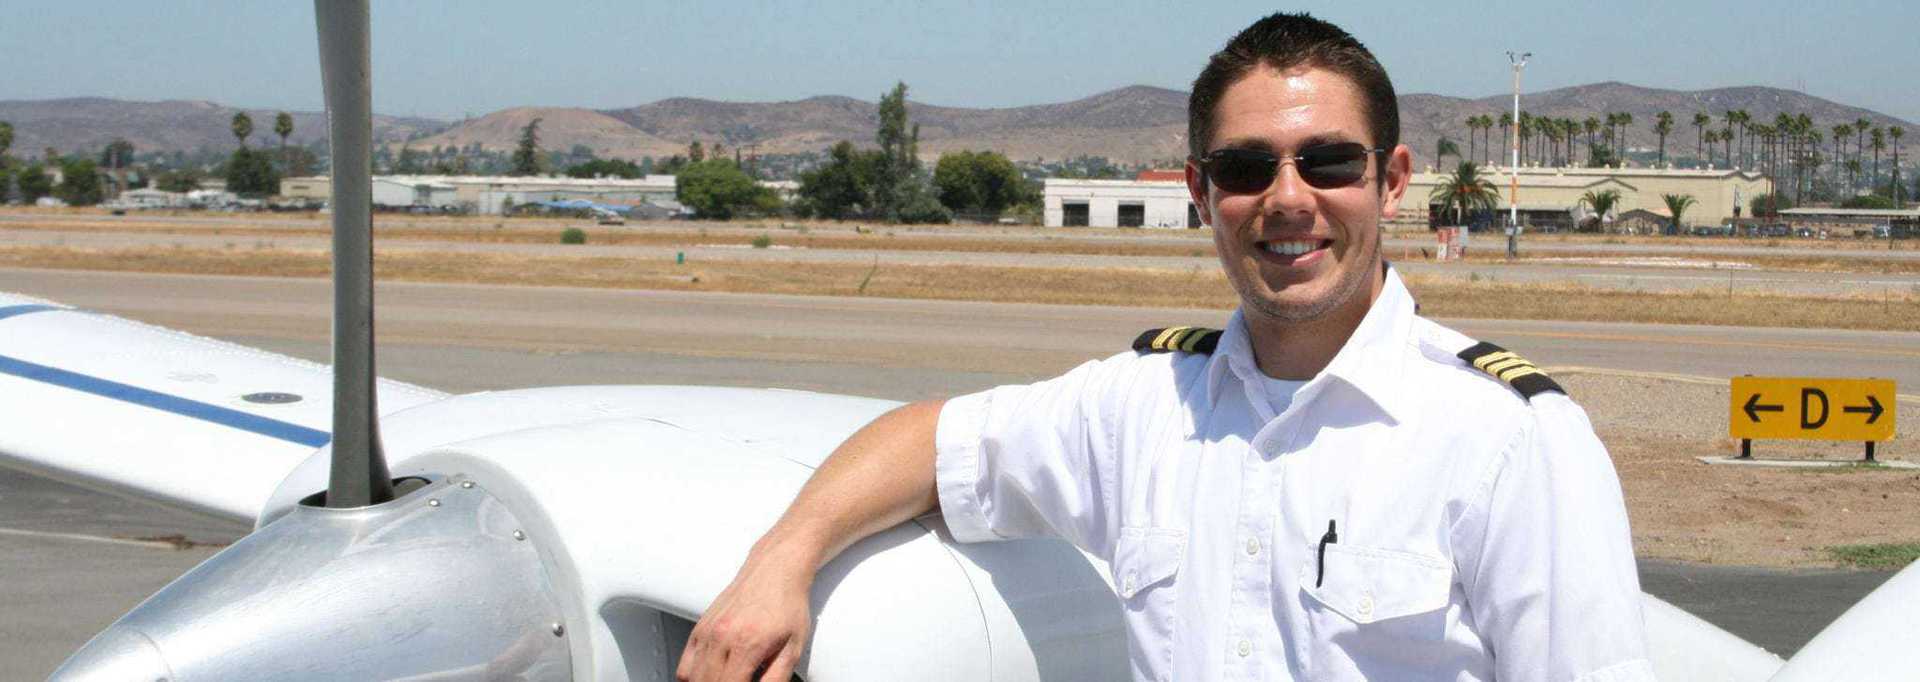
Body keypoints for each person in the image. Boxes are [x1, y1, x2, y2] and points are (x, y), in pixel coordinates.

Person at [677, 12, 1650, 682]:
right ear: (1200, 192)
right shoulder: (1141, 408)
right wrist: (778, 564)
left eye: (1329, 161)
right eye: (1243, 167)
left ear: (1392, 181)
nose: (1286, 199)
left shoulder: (1509, 439)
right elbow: (931, 442)